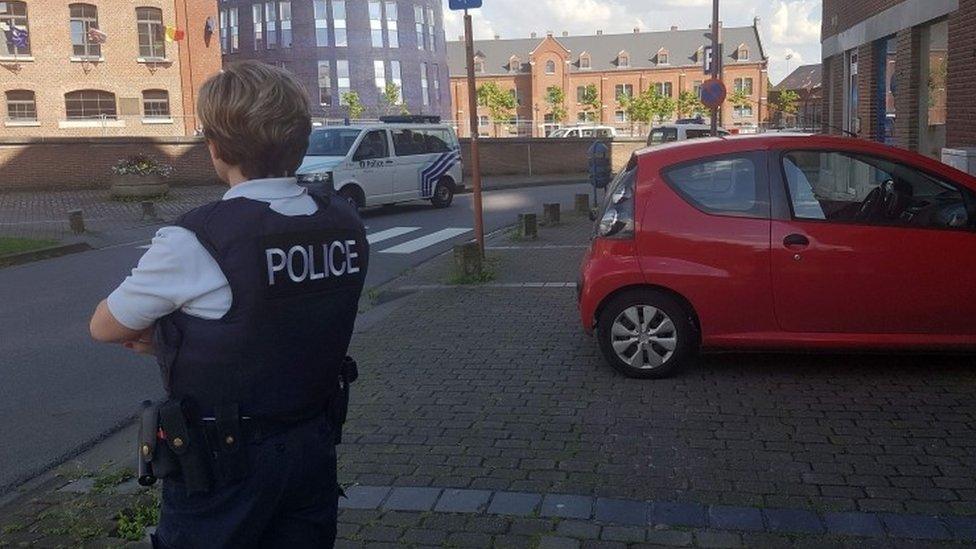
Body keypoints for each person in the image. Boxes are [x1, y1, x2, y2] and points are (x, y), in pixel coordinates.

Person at [89, 60, 368, 548]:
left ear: (215, 147)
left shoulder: (200, 237)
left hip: (224, 464)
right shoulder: (343, 222)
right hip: (312, 445)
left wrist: (170, 340)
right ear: (300, 142)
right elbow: (287, 322)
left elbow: (105, 326)